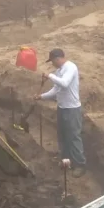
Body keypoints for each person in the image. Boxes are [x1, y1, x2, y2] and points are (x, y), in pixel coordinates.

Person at [34, 48, 85, 177]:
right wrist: (42, 96)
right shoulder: (59, 71)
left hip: (72, 109)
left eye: (52, 61)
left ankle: (80, 165)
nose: (52, 64)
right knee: (62, 136)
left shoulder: (70, 67)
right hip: (62, 108)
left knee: (73, 137)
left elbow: (65, 84)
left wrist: (49, 76)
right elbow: (56, 90)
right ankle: (66, 161)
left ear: (58, 58)